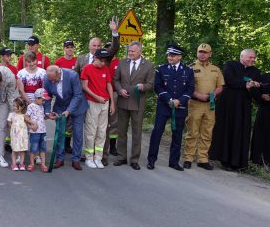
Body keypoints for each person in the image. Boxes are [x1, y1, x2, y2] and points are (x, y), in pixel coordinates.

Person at [209, 49, 262, 170]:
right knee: (226, 129)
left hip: (243, 107)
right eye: (250, 57)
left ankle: (238, 162)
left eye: (254, 58)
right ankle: (224, 159)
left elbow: (257, 93)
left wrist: (252, 88)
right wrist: (246, 84)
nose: (253, 60)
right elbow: (229, 80)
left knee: (240, 132)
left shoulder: (256, 72)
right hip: (228, 105)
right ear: (242, 56)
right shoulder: (230, 65)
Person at [146, 45, 195, 171]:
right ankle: (151, 160)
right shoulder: (161, 69)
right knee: (157, 132)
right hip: (164, 105)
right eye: (169, 55)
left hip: (180, 106)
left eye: (172, 55)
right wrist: (169, 99)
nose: (170, 57)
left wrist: (180, 100)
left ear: (179, 56)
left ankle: (173, 162)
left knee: (177, 134)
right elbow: (157, 87)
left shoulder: (188, 71)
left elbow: (190, 89)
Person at [112, 41, 155, 170]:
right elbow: (116, 80)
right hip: (123, 101)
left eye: (133, 51)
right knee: (121, 131)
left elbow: (151, 84)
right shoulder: (122, 63)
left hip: (138, 103)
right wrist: (119, 89)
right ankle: (121, 157)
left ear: (140, 52)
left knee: (136, 132)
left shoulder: (148, 65)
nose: (130, 53)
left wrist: (143, 87)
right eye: (129, 51)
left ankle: (134, 159)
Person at [182, 44, 224, 170]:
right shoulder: (190, 68)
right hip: (195, 104)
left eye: (205, 52)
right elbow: (185, 87)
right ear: (197, 53)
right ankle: (188, 158)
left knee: (207, 132)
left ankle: (203, 159)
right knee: (192, 132)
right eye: (200, 51)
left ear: (210, 54)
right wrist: (198, 95)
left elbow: (220, 86)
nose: (202, 54)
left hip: (210, 106)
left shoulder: (216, 69)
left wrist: (214, 94)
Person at [42, 65, 89, 170]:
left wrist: (68, 111)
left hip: (77, 107)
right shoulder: (47, 78)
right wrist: (47, 112)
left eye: (54, 79)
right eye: (50, 79)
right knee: (60, 133)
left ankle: (76, 160)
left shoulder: (72, 75)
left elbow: (77, 95)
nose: (52, 82)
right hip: (60, 106)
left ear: (58, 73)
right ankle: (60, 158)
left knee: (77, 133)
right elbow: (47, 96)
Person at [81, 48, 116, 169]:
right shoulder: (87, 68)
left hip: (105, 103)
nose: (103, 62)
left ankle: (98, 158)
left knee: (102, 131)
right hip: (93, 102)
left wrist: (112, 103)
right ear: (95, 58)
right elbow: (84, 87)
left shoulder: (106, 69)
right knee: (91, 131)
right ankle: (89, 157)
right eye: (101, 60)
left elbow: (109, 85)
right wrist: (97, 97)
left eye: (105, 60)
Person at [26, 88, 49, 172]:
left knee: (43, 148)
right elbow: (26, 117)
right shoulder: (31, 106)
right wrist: (32, 124)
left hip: (43, 131)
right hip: (34, 132)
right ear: (36, 98)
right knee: (33, 148)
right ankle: (32, 163)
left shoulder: (41, 107)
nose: (44, 102)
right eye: (42, 100)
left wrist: (48, 116)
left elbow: (41, 117)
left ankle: (43, 164)